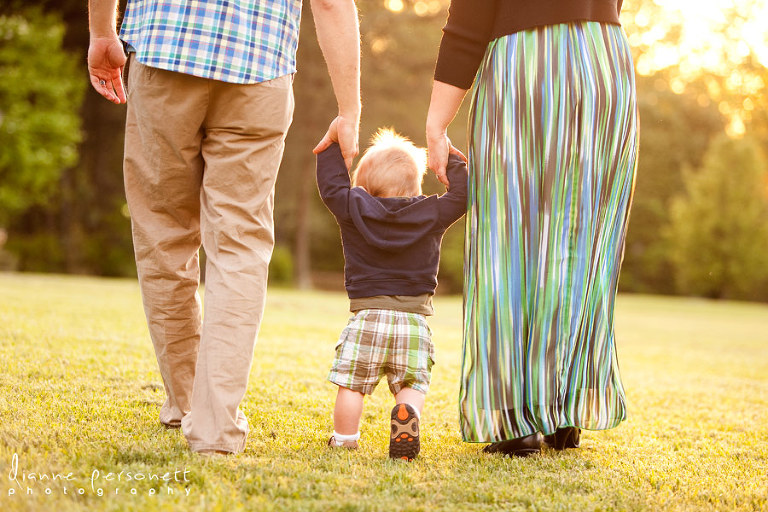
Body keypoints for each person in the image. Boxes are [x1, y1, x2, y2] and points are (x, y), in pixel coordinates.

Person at [87, 0, 361, 455]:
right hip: (259, 67)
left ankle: (184, 399)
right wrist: (349, 109)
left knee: (164, 236)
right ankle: (213, 427)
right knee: (241, 246)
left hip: (166, 50)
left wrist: (102, 32)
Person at [425, 0, 638, 456]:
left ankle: (514, 417)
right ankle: (564, 408)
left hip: (528, 62)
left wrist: (436, 123)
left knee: (511, 234)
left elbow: (468, 22)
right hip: (605, 62)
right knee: (583, 238)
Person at [315, 129, 468, 460]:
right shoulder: (431, 213)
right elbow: (461, 196)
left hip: (368, 317)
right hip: (413, 322)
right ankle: (406, 415)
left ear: (365, 186)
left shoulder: (355, 210)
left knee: (352, 383)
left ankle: (344, 438)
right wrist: (449, 158)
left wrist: (333, 148)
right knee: (412, 382)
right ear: (415, 184)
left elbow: (332, 189)